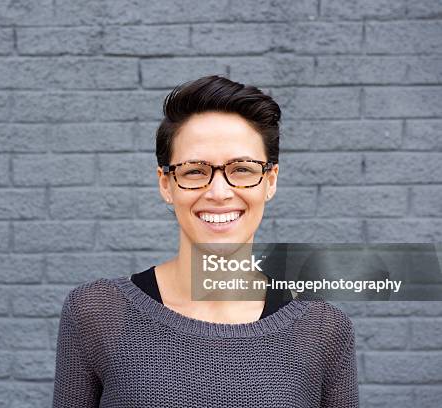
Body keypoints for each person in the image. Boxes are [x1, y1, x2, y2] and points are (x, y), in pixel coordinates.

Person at [52, 75, 359, 407]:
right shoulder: (96, 313)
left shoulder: (323, 329)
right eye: (195, 171)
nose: (219, 193)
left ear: (270, 181)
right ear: (166, 184)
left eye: (242, 169)